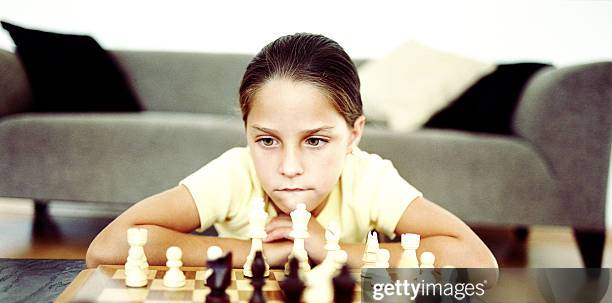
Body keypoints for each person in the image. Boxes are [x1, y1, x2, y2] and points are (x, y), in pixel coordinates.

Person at [86, 33, 498, 271]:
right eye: (266, 140)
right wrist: (259, 251)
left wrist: (335, 251)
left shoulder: (367, 178)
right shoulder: (237, 173)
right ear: (246, 132)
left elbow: (481, 264)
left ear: (354, 135)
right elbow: (106, 248)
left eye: (315, 141)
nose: (289, 168)